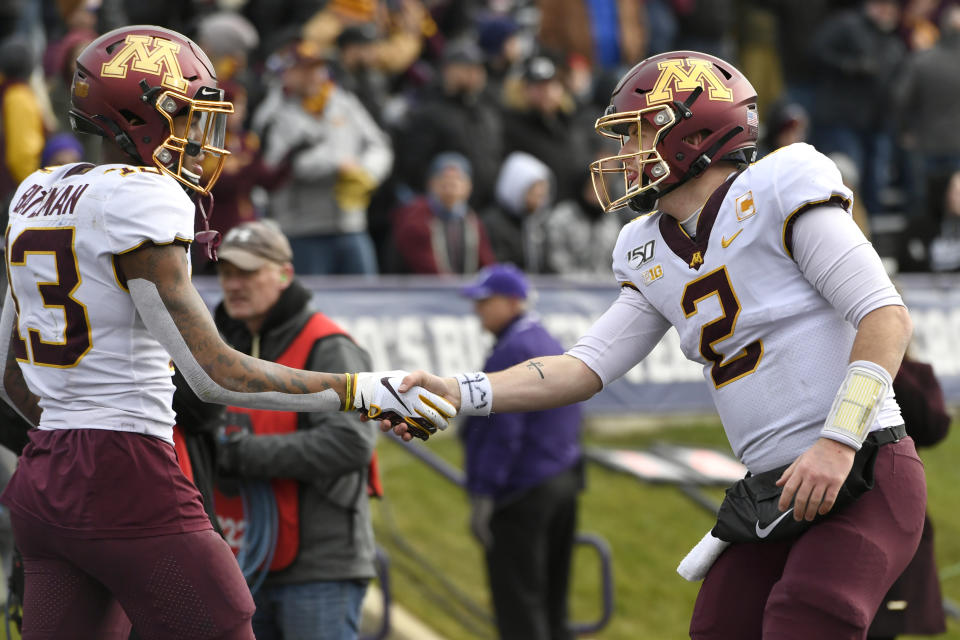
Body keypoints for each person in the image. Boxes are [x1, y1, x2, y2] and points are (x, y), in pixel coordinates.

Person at [384, 50, 926, 640]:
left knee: (808, 616)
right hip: (775, 487)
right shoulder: (647, 247)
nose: (625, 155)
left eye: (639, 132)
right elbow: (583, 367)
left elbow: (885, 316)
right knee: (720, 628)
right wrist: (459, 391)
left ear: (693, 128)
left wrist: (837, 439)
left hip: (864, 465)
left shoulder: (780, 185)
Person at [0, 25, 453, 640]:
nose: (197, 136)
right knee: (225, 625)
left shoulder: (35, 192)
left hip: (42, 477)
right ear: (140, 113)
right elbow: (213, 372)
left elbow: (8, 374)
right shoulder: (145, 200)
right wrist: (363, 391)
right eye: (185, 116)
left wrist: (64, 440)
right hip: (127, 471)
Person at [210, 220, 379, 639]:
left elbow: (349, 442)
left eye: (248, 272)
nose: (234, 284)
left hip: (319, 569)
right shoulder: (223, 348)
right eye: (227, 273)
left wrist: (235, 454)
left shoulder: (327, 345)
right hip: (247, 564)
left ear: (285, 274)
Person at [459, 264, 583, 640]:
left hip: (522, 491)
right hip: (562, 478)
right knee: (552, 602)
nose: (477, 310)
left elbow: (502, 433)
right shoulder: (543, 338)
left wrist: (484, 493)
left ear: (513, 302)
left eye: (485, 301)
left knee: (519, 609)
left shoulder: (512, 349)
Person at [252, 39, 392, 275]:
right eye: (304, 69)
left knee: (367, 302)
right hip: (302, 230)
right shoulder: (273, 114)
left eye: (317, 68)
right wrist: (339, 167)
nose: (314, 76)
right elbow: (273, 166)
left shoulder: (343, 102)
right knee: (313, 305)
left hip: (351, 225)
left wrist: (368, 173)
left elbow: (380, 145)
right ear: (288, 74)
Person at [867, 355, 950, 639]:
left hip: (891, 511)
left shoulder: (915, 373)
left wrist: (885, 359)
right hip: (825, 505)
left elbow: (933, 426)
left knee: (882, 626)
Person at [389, 152, 495, 274]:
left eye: (457, 180)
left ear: (468, 187)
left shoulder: (471, 221)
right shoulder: (414, 219)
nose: (450, 185)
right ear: (431, 184)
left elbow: (486, 264)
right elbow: (427, 270)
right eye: (444, 179)